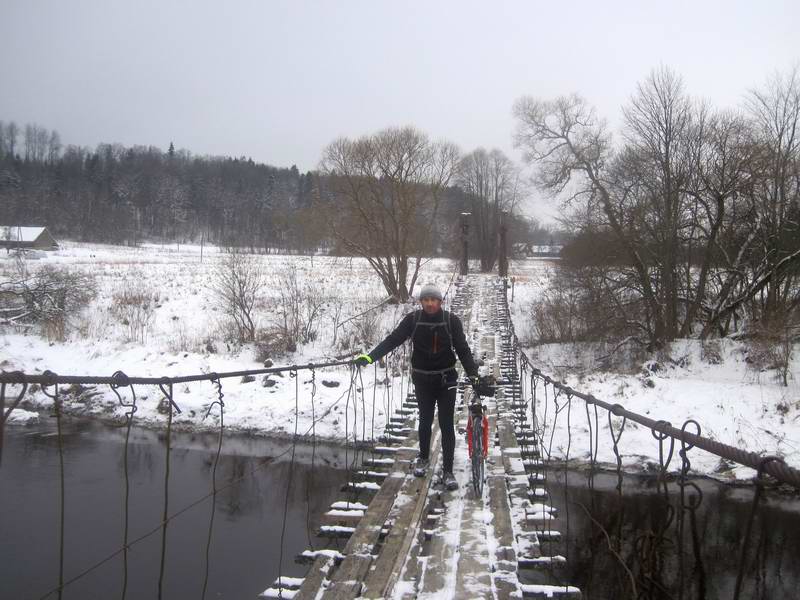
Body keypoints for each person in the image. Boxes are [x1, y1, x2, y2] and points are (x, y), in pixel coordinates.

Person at [354, 282, 479, 491]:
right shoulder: (413, 320)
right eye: (426, 300)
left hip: (446, 379)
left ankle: (448, 471)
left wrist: (473, 375)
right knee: (425, 420)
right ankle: (423, 458)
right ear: (421, 302)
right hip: (422, 380)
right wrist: (370, 357)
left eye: (434, 300)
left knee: (447, 424)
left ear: (440, 301)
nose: (430, 304)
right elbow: (393, 340)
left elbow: (463, 350)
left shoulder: (451, 321)